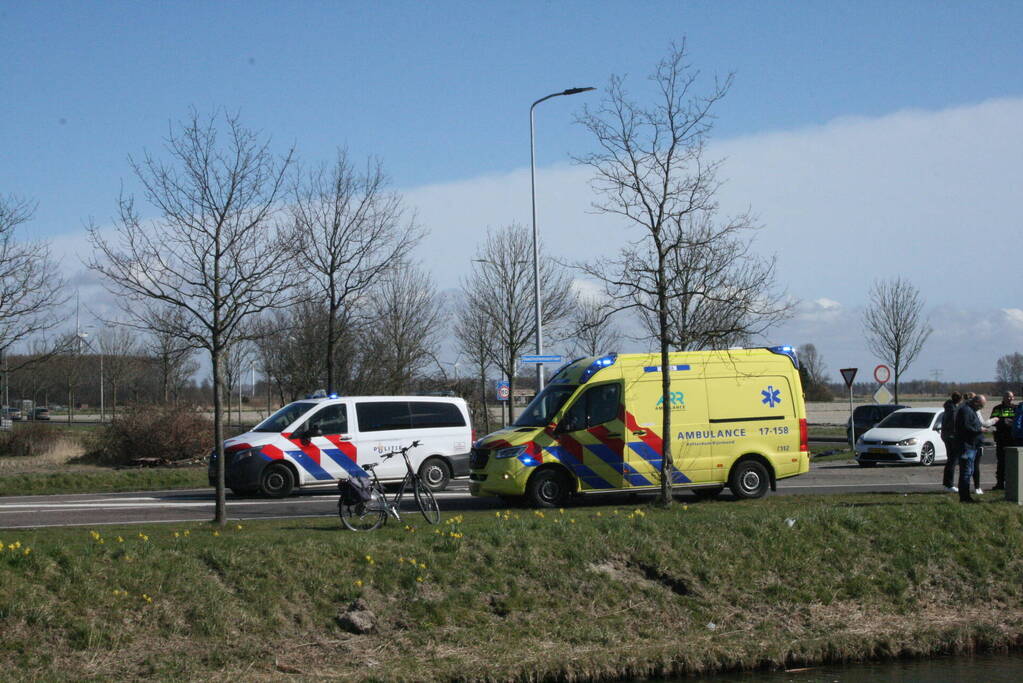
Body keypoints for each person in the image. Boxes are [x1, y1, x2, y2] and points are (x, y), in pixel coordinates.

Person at [955, 394, 986, 503]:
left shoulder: (970, 409)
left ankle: (966, 496)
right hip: (966, 446)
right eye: (981, 406)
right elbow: (967, 427)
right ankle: (964, 497)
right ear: (976, 402)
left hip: (972, 445)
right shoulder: (966, 411)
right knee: (966, 472)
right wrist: (980, 429)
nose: (981, 408)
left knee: (969, 470)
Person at [990, 391, 1016, 491]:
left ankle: (1013, 483)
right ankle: (1000, 484)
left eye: (1011, 397)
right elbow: (993, 420)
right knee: (1001, 462)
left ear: (1013, 398)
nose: (1009, 398)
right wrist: (1003, 422)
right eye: (1007, 397)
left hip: (1013, 440)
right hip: (1001, 439)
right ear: (1003, 397)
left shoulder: (1016, 408)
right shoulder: (997, 408)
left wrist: (1010, 422)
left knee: (1013, 463)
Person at [973, 396, 997, 494]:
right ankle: (976, 487)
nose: (982, 407)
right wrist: (994, 420)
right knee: (973, 465)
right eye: (982, 405)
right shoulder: (972, 411)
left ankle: (976, 487)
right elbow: (982, 424)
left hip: (976, 440)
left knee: (972, 466)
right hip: (974, 441)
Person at [941, 391, 962, 492]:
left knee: (951, 460)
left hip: (946, 436)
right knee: (952, 461)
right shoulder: (953, 410)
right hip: (952, 437)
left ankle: (947, 483)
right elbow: (954, 425)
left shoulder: (947, 408)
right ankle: (949, 484)